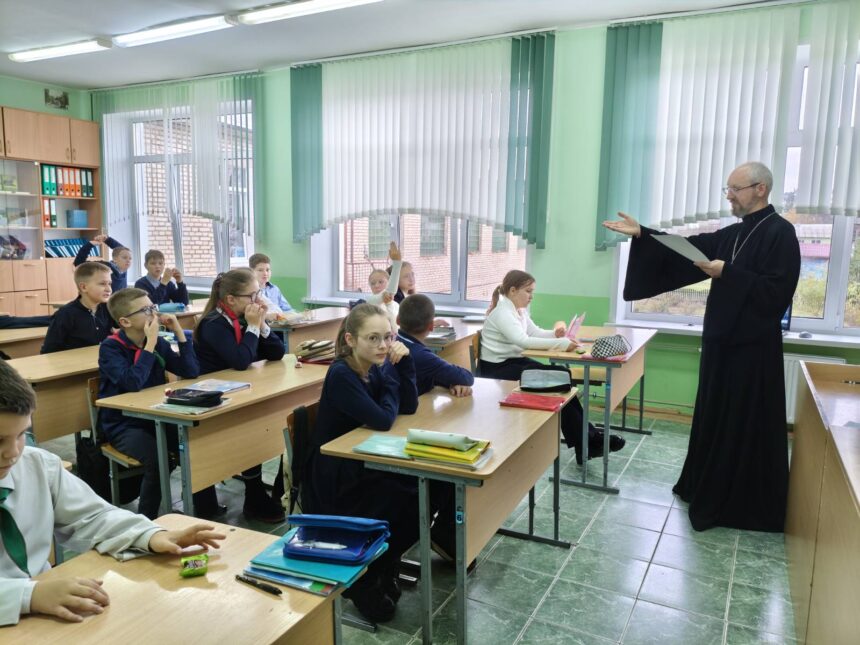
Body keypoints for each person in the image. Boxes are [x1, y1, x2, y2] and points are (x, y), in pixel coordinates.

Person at [602, 161, 800, 532]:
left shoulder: (781, 233)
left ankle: (737, 503)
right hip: (720, 344)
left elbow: (778, 291)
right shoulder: (735, 232)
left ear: (760, 189)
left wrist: (728, 272)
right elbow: (690, 248)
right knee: (714, 417)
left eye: (735, 189)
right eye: (728, 189)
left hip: (751, 352)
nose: (729, 196)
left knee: (740, 422)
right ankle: (704, 484)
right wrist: (643, 234)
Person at [0, 359, 225, 626]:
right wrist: (27, 595)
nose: (13, 453)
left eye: (21, 434)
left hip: (38, 615)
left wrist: (149, 535)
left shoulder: (38, 466)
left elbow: (93, 517)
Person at [303, 304, 454, 623]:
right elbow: (384, 419)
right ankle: (365, 578)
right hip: (336, 473)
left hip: (366, 458)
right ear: (351, 340)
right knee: (408, 498)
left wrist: (406, 364)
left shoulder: (376, 365)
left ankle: (385, 563)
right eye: (373, 338)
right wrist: (391, 379)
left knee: (436, 485)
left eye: (388, 337)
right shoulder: (342, 373)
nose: (383, 345)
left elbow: (408, 406)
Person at [480, 270, 625, 465]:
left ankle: (586, 440)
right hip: (498, 371)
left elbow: (534, 332)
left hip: (513, 363)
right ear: (513, 290)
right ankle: (588, 440)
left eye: (532, 292)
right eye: (528, 291)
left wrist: (555, 334)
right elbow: (523, 341)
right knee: (560, 378)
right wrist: (563, 344)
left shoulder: (518, 310)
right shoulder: (502, 313)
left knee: (562, 375)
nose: (531, 296)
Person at [98, 288, 219, 520]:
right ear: (125, 322)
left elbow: (190, 371)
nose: (154, 313)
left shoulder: (157, 342)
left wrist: (179, 333)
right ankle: (147, 520)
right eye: (146, 310)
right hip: (124, 423)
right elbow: (132, 383)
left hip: (157, 416)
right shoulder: (111, 348)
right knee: (157, 459)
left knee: (194, 445)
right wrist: (151, 343)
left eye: (153, 307)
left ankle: (207, 509)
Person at [193, 269, 286, 524]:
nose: (258, 300)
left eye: (259, 294)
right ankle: (252, 496)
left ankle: (256, 496)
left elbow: (277, 352)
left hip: (238, 393)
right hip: (210, 402)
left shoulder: (242, 318)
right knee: (248, 434)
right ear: (231, 299)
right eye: (252, 295)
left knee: (260, 428)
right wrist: (253, 326)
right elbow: (241, 361)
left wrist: (262, 325)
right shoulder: (213, 323)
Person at [397, 294, 474, 396]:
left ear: (397, 320)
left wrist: (451, 383)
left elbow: (430, 373)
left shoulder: (392, 341)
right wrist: (454, 380)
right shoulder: (421, 355)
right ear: (431, 326)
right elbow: (467, 378)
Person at [41, 263, 115, 354]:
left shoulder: (108, 308)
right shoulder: (66, 314)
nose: (109, 289)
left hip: (105, 359)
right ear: (83, 287)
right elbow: (49, 351)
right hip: (76, 362)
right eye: (102, 284)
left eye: (110, 284)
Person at [366, 242, 402, 332]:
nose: (376, 285)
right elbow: (389, 293)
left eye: (381, 282)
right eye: (373, 283)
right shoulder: (370, 301)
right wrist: (397, 263)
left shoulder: (396, 305)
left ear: (389, 282)